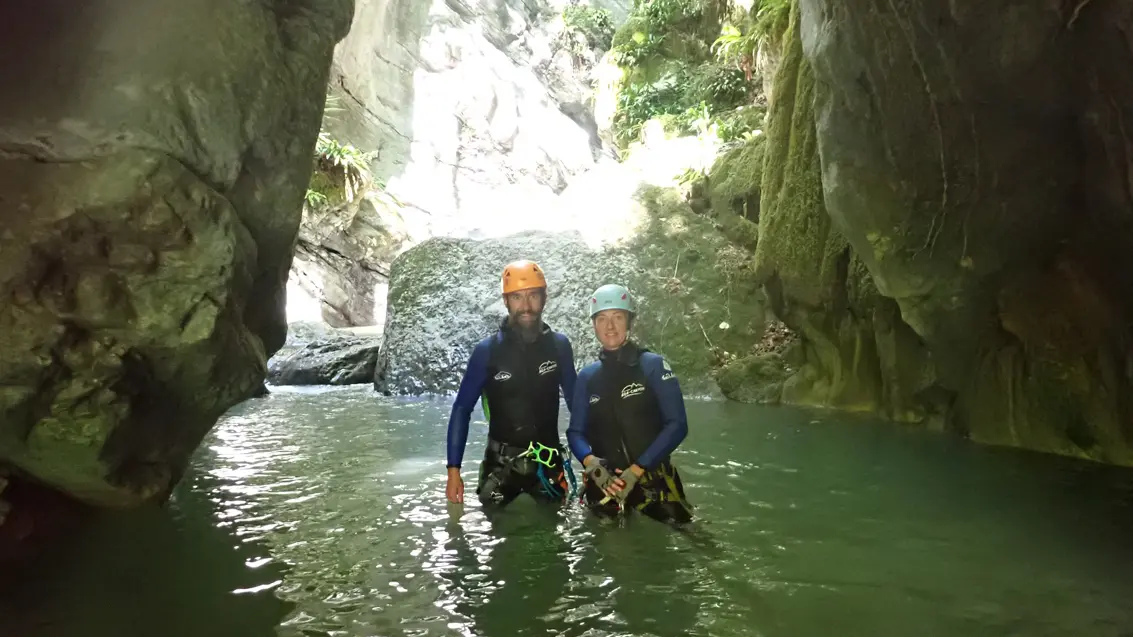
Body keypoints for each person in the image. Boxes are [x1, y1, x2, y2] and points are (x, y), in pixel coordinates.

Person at [445, 259, 579, 508]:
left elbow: (577, 405)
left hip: (548, 462)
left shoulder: (559, 346)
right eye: (517, 297)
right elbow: (462, 409)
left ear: (544, 298)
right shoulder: (487, 351)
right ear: (506, 301)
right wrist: (454, 470)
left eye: (533, 296)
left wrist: (593, 459)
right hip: (501, 464)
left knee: (555, 540)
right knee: (498, 541)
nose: (526, 306)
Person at [566, 283, 694, 524]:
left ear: (630, 321)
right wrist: (591, 462)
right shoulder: (587, 377)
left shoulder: (653, 366)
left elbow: (677, 425)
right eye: (602, 318)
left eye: (618, 317)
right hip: (606, 487)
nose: (610, 326)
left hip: (654, 486)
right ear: (594, 324)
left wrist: (637, 470)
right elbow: (575, 433)